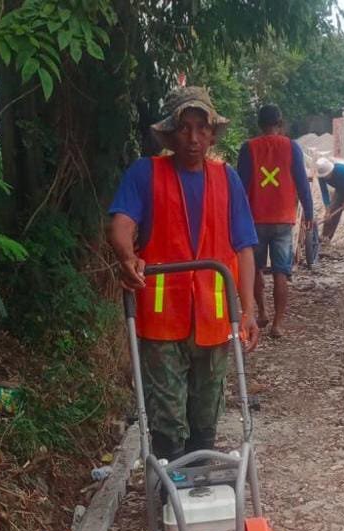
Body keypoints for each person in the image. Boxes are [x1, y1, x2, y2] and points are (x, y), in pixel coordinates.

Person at [108, 86, 259, 461]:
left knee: (207, 405)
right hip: (162, 314)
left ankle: (202, 473)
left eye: (201, 128)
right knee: (167, 408)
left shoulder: (227, 179)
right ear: (170, 133)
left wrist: (250, 310)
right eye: (184, 128)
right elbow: (122, 222)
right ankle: (170, 485)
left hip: (214, 312)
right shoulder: (145, 174)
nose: (193, 138)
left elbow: (244, 247)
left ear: (211, 133)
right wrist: (127, 256)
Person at [237, 104, 314, 337]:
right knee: (281, 271)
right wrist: (309, 213)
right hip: (283, 219)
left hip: (255, 220)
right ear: (280, 123)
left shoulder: (248, 148)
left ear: (259, 124)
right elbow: (302, 183)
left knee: (256, 269)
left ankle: (261, 313)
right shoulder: (292, 147)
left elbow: (240, 187)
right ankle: (278, 324)